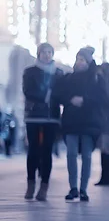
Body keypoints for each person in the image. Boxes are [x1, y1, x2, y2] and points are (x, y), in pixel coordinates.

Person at [53, 46, 108, 202]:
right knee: (71, 154)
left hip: (90, 122)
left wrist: (84, 101)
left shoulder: (97, 79)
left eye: (82, 60)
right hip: (71, 121)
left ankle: (83, 189)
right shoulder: (68, 78)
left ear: (88, 62)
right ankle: (73, 188)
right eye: (78, 59)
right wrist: (70, 99)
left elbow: (103, 99)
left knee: (86, 155)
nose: (79, 62)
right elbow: (58, 94)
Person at [22, 43, 64, 201]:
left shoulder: (58, 73)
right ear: (38, 54)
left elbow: (62, 93)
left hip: (51, 117)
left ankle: (44, 186)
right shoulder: (30, 72)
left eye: (49, 52)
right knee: (33, 150)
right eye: (44, 52)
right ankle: (31, 183)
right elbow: (27, 91)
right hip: (34, 115)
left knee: (47, 151)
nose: (47, 55)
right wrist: (45, 96)